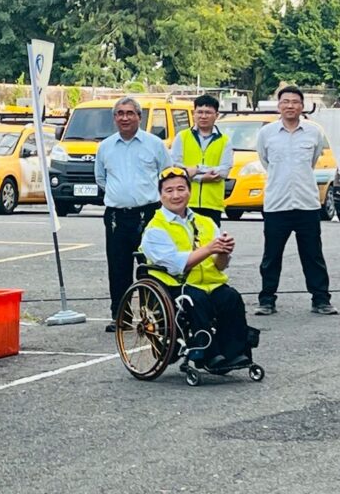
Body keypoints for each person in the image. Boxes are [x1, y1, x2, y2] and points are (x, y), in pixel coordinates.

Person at [141, 167, 252, 369]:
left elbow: (220, 266)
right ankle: (208, 354)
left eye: (181, 189)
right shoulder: (155, 228)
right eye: (169, 190)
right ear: (160, 195)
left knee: (230, 297)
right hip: (176, 284)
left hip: (209, 283)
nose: (176, 195)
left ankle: (234, 353)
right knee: (196, 300)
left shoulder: (206, 222)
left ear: (189, 191)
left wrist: (224, 251)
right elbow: (177, 265)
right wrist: (209, 248)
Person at [254, 85, 337, 316]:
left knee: (313, 255)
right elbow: (266, 161)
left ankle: (321, 299)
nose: (290, 106)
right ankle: (267, 300)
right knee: (271, 256)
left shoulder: (314, 133)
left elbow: (312, 161)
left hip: (306, 204)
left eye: (295, 102)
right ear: (278, 105)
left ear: (302, 106)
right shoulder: (266, 133)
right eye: (285, 101)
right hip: (276, 204)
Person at [95, 96, 171, 332]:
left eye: (130, 113)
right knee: (118, 268)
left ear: (139, 116)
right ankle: (121, 316)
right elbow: (101, 179)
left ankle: (154, 317)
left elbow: (166, 175)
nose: (125, 118)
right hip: (116, 217)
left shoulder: (154, 144)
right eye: (120, 113)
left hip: (148, 215)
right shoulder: (105, 146)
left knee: (150, 267)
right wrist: (121, 196)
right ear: (114, 118)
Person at [169, 94, 234, 225]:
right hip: (185, 202)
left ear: (216, 115)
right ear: (194, 114)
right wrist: (202, 177)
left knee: (210, 238)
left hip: (212, 204)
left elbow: (224, 171)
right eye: (200, 112)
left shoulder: (224, 141)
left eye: (208, 112)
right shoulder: (182, 137)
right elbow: (176, 168)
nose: (203, 116)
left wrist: (197, 169)